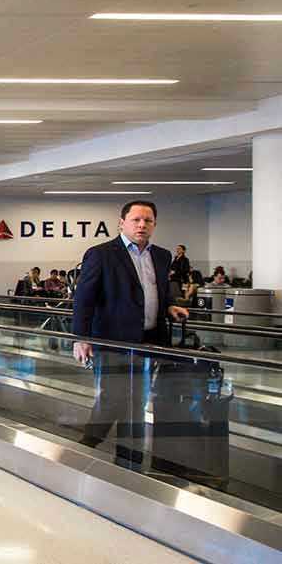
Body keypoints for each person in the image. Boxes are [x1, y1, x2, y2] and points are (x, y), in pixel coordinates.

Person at [72, 200, 189, 469]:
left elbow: (157, 289)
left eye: (148, 221)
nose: (142, 225)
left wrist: (169, 305)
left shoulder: (161, 255)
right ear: (121, 222)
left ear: (154, 225)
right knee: (113, 398)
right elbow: (84, 299)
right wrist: (81, 337)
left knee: (137, 402)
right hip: (112, 341)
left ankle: (129, 461)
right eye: (136, 219)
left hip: (148, 341)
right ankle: (88, 442)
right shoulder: (101, 254)